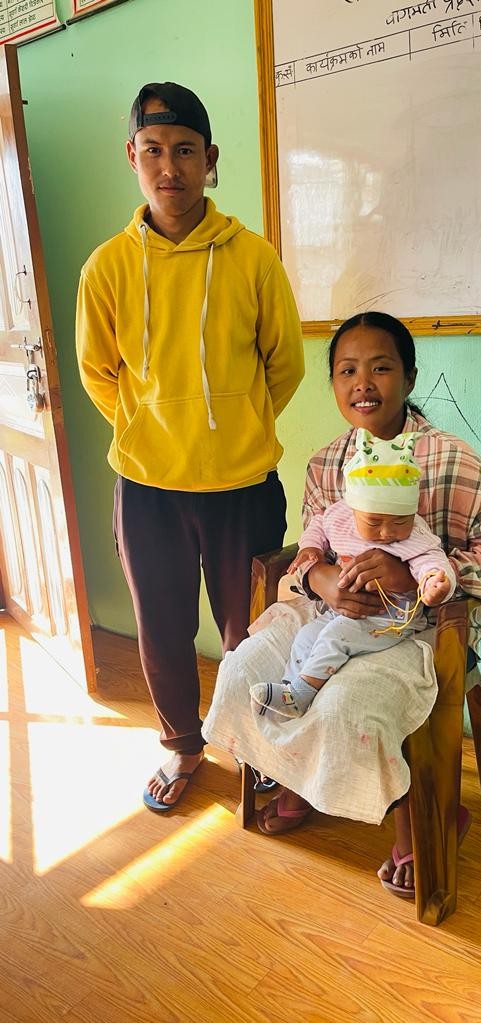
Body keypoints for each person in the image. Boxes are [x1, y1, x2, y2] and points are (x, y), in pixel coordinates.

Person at [202, 310, 481, 899]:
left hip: (415, 624)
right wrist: (322, 580)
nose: (363, 383)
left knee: (349, 702)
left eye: (381, 368)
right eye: (347, 370)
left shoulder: (450, 461)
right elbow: (311, 547)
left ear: (408, 377)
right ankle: (300, 778)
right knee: (244, 669)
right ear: (331, 384)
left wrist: (416, 577)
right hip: (328, 611)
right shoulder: (327, 464)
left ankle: (422, 823)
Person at [76, 81, 304, 811]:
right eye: (152, 151)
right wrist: (151, 430)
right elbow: (96, 372)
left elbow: (285, 363)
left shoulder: (252, 257)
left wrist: (231, 428)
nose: (167, 166)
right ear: (133, 159)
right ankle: (180, 748)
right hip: (147, 489)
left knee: (252, 635)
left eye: (183, 151)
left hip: (242, 484)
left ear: (209, 160)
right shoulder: (107, 266)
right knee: (162, 628)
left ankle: (256, 749)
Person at [250, 428, 456, 718]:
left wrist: (435, 581)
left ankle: (303, 693)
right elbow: (318, 527)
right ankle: (289, 690)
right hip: (341, 610)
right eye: (374, 522)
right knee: (308, 636)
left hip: (390, 617)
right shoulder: (339, 516)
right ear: (353, 508)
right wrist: (311, 550)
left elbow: (431, 559)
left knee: (337, 636)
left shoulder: (414, 533)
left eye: (400, 521)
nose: (387, 532)